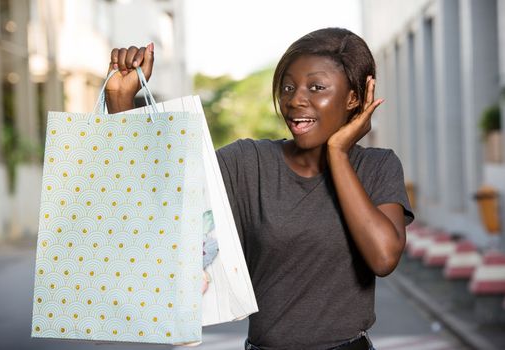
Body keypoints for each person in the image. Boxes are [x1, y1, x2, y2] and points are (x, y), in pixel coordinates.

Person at [105, 27, 414, 350]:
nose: (295, 100)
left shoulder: (377, 167)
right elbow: (160, 195)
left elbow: (383, 258)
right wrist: (120, 100)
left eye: (316, 87)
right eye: (288, 87)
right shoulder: (248, 162)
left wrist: (337, 153)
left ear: (353, 98)